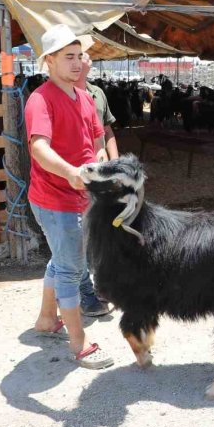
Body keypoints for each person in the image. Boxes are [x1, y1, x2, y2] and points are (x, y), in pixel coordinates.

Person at [26, 24, 113, 369]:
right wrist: (72, 173)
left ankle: (48, 319)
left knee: (64, 258)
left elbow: (96, 140)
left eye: (79, 56)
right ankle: (79, 342)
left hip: (79, 196)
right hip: (53, 198)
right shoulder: (40, 99)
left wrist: (99, 163)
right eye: (68, 57)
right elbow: (38, 147)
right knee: (71, 267)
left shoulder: (85, 97)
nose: (77, 63)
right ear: (49, 61)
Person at [71, 53, 118, 318]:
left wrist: (116, 162)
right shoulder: (59, 94)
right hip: (74, 175)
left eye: (86, 54)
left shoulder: (97, 93)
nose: (86, 59)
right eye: (78, 55)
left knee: (100, 231)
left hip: (99, 172)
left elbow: (107, 130)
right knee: (79, 235)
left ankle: (99, 287)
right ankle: (82, 291)